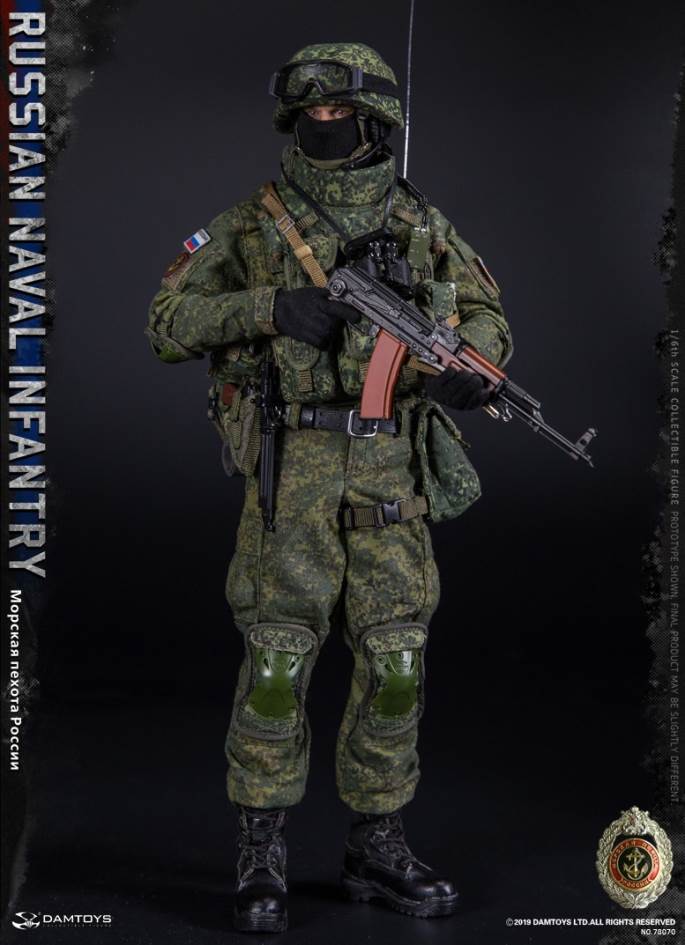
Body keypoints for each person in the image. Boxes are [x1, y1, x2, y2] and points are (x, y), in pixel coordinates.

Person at [146, 42, 512, 933]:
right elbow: (166, 322)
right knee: (276, 664)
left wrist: (471, 366)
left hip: (391, 468)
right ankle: (260, 845)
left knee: (395, 663)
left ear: (374, 119)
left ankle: (375, 842)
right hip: (296, 466)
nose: (322, 122)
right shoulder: (252, 224)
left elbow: (485, 313)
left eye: (337, 110)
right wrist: (270, 308)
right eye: (307, 111)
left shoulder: (418, 221)